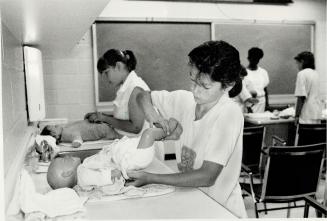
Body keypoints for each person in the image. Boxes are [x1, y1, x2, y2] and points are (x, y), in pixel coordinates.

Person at [127, 40, 247, 218]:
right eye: (193, 81)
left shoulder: (229, 114)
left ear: (228, 85)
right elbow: (141, 94)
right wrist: (153, 116)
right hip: (192, 202)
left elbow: (207, 176)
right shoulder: (185, 101)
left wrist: (150, 177)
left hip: (221, 210)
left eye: (205, 86)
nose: (195, 91)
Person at [46, 118, 183, 191]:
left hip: (130, 158)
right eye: (64, 161)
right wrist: (117, 174)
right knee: (148, 134)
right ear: (67, 174)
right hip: (131, 161)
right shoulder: (83, 175)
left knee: (145, 137)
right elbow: (104, 177)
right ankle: (168, 131)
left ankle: (167, 135)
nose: (66, 157)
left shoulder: (83, 171)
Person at [84, 49, 165, 161]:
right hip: (135, 147)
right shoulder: (126, 87)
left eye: (107, 73)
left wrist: (105, 118)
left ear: (118, 66)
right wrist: (101, 116)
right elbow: (125, 117)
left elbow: (135, 127)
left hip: (146, 150)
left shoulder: (135, 88)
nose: (106, 79)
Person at [40, 120, 122, 148]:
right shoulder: (67, 134)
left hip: (100, 125)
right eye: (55, 127)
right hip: (102, 130)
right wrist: (76, 143)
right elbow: (77, 139)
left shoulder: (65, 129)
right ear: (55, 135)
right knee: (123, 136)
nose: (57, 125)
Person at [294, 51, 322, 124]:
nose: (297, 66)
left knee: (305, 134)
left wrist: (296, 115)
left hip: (306, 114)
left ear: (302, 62)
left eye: (297, 63)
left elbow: (301, 97)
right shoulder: (316, 73)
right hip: (317, 113)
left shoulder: (301, 74)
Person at [244, 47, 270, 113]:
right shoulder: (244, 73)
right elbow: (242, 92)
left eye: (257, 59)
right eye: (253, 59)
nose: (255, 61)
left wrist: (267, 105)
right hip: (249, 103)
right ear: (249, 58)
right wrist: (248, 106)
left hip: (261, 102)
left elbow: (265, 90)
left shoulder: (263, 72)